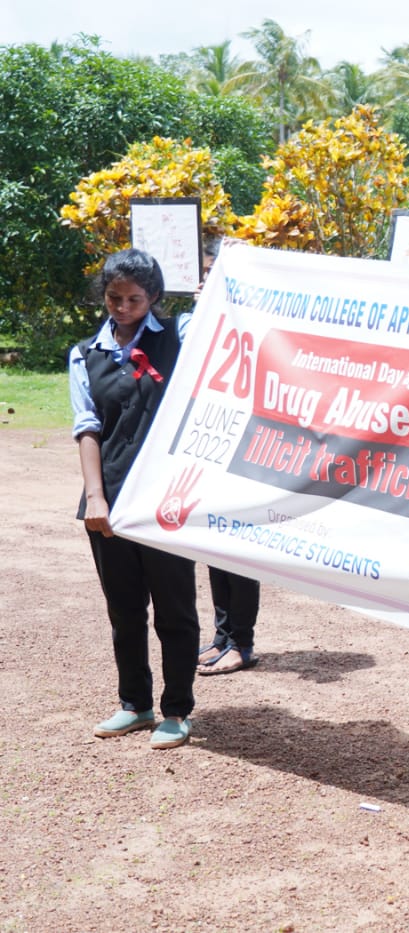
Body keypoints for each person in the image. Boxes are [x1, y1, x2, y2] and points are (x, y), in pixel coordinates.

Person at [70, 248, 199, 749]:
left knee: (175, 610)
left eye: (134, 300)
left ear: (155, 297)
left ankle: (177, 710)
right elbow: (87, 428)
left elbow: (222, 324)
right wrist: (95, 498)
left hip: (167, 500)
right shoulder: (85, 354)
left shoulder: (180, 336)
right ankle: (135, 704)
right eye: (113, 298)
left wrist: (225, 278)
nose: (122, 309)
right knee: (124, 609)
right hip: (111, 498)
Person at [192, 237, 264, 676]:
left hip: (247, 449)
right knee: (215, 545)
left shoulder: (254, 317)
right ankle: (223, 636)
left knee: (239, 548)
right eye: (203, 274)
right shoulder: (199, 321)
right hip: (211, 445)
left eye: (214, 273)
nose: (205, 281)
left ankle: (242, 642)